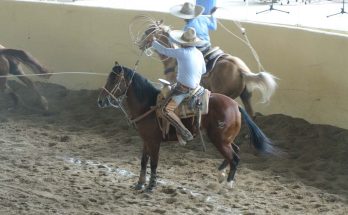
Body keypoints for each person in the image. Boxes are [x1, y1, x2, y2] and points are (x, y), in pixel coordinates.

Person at [150, 27, 207, 145]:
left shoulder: (182, 53)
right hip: (197, 88)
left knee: (165, 110)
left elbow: (165, 51)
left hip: (184, 89)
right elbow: (203, 70)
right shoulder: (199, 53)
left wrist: (153, 42)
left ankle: (184, 132)